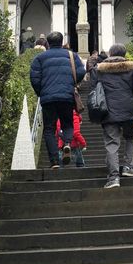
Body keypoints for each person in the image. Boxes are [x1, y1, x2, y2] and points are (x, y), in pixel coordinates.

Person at [90, 43, 133, 189]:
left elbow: (94, 89)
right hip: (128, 110)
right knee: (131, 137)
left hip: (107, 111)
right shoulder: (131, 68)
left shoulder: (99, 69)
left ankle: (114, 177)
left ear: (110, 53)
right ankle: (128, 166)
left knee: (111, 144)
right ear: (124, 54)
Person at [30, 31, 85, 167]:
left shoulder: (40, 58)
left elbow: (34, 78)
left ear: (48, 43)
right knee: (68, 124)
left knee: (49, 129)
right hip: (66, 97)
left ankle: (54, 161)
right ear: (61, 42)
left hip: (48, 98)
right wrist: (71, 83)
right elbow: (81, 71)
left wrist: (41, 92)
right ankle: (67, 143)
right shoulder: (72, 55)